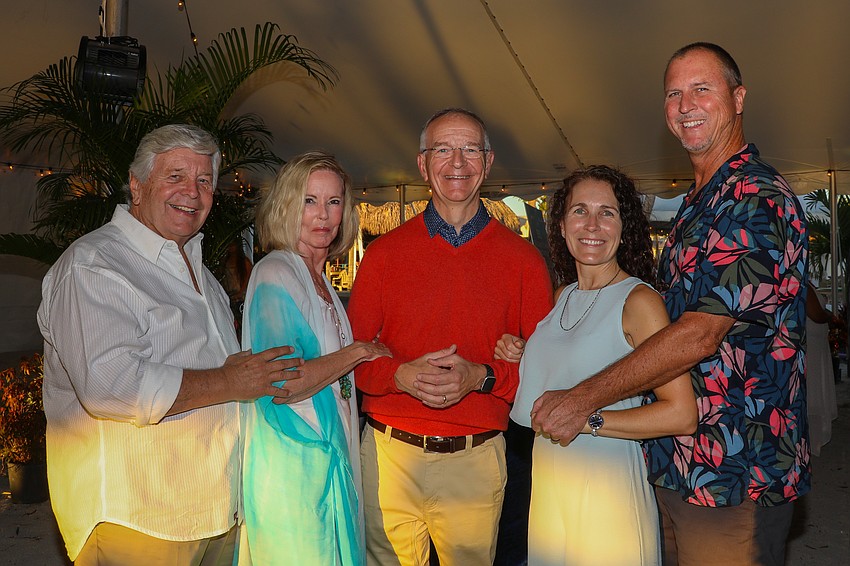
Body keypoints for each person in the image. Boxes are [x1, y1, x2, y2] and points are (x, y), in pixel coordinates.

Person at [529, 43, 810, 566]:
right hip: (674, 465)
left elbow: (700, 333)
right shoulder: (698, 203)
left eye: (702, 89)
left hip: (735, 471)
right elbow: (653, 332)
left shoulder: (754, 198)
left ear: (739, 98)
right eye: (674, 94)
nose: (686, 105)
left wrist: (584, 400)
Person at [38, 124, 301, 565]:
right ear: (137, 185)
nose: (192, 192)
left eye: (204, 181)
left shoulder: (199, 271)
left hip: (216, 511)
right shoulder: (95, 265)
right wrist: (230, 380)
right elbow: (111, 385)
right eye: (175, 176)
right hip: (140, 520)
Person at [347, 108, 553, 565]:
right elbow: (352, 359)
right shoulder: (383, 255)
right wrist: (399, 375)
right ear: (423, 164)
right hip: (388, 458)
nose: (457, 162)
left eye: (469, 149)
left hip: (476, 460)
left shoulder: (524, 262)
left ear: (488, 162)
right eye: (443, 149)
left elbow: (543, 375)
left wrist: (481, 376)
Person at [508, 165, 696, 565]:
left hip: (607, 492)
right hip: (550, 489)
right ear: (562, 226)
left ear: (624, 228)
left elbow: (682, 414)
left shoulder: (639, 302)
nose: (592, 225)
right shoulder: (562, 296)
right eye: (580, 211)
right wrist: (524, 352)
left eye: (606, 212)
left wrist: (588, 418)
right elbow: (574, 365)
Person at [236, 151, 391, 565]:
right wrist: (357, 351)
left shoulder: (319, 280)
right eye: (309, 200)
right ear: (287, 205)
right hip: (295, 473)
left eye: (333, 201)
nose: (323, 214)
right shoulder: (276, 273)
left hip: (328, 463)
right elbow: (283, 383)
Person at [805, 282, 838, 456]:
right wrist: (829, 316)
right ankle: (811, 440)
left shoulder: (808, 283)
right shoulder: (802, 283)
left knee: (816, 388)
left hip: (816, 344)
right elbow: (816, 314)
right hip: (810, 346)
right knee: (813, 391)